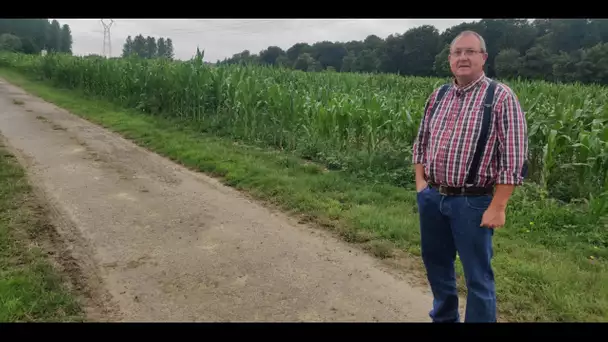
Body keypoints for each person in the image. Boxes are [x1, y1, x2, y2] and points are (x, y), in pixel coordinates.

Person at [412, 30, 528, 323]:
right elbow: (421, 141)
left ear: (483, 58)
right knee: (437, 266)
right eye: (457, 52)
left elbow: (513, 158)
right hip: (433, 197)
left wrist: (498, 206)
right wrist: (421, 185)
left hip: (473, 202)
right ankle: (444, 318)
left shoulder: (500, 97)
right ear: (450, 59)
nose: (463, 57)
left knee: (478, 277)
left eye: (470, 52)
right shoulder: (438, 95)